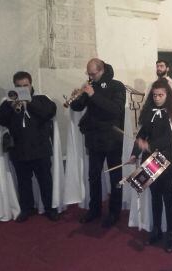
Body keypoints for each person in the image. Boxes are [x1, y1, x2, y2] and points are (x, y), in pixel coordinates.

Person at [129, 78, 172, 252]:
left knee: (169, 200)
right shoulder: (148, 113)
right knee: (155, 198)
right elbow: (142, 135)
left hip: (166, 162)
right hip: (151, 162)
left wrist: (150, 146)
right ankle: (156, 230)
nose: (157, 98)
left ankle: (170, 235)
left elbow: (170, 139)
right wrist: (135, 153)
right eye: (155, 95)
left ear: (168, 95)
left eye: (161, 95)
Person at [0, 71, 59, 222]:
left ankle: (50, 208)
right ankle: (26, 208)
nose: (22, 89)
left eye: (25, 86)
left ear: (31, 85)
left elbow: (49, 112)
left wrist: (29, 101)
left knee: (45, 181)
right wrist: (11, 105)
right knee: (23, 182)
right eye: (19, 86)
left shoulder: (41, 99)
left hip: (40, 149)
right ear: (14, 86)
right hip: (19, 150)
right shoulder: (9, 101)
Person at [70, 58, 126, 228]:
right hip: (94, 137)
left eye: (93, 74)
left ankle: (114, 212)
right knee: (93, 175)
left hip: (112, 138)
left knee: (115, 176)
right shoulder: (90, 85)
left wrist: (93, 95)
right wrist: (77, 98)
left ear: (101, 70)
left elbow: (115, 109)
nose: (90, 77)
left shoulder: (117, 86)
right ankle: (94, 209)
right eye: (88, 74)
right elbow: (78, 108)